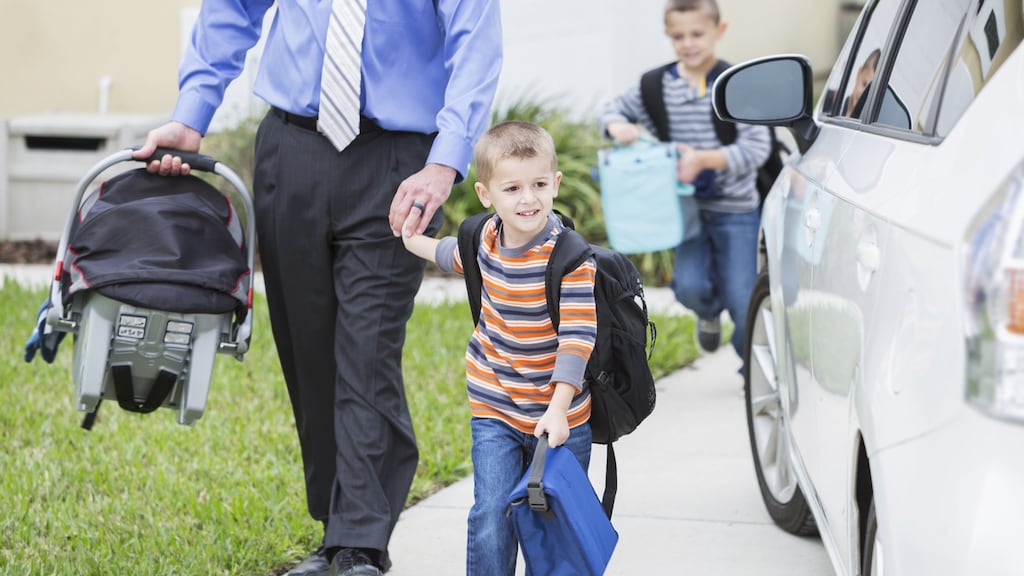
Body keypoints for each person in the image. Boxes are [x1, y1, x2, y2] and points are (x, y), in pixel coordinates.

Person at [132, 2, 502, 575]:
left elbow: (475, 44)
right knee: (308, 353)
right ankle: (338, 529)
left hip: (401, 162)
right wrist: (193, 112)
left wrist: (445, 162)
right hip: (291, 148)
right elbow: (232, 9)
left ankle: (359, 542)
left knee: (367, 351)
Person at [401, 121, 598, 576]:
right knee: (492, 515)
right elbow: (446, 252)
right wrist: (411, 236)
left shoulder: (569, 256)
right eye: (512, 188)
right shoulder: (481, 241)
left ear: (556, 184)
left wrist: (559, 407)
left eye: (539, 185)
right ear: (486, 194)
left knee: (555, 525)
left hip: (560, 415)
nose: (528, 199)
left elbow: (578, 335)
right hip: (495, 407)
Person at [598, 0, 771, 362]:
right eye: (678, 36)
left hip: (735, 210)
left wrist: (702, 160)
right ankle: (707, 312)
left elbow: (756, 150)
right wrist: (617, 125)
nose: (688, 43)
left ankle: (750, 369)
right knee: (689, 287)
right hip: (684, 210)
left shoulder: (736, 85)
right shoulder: (657, 85)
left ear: (718, 31)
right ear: (668, 36)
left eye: (697, 34)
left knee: (742, 297)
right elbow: (612, 109)